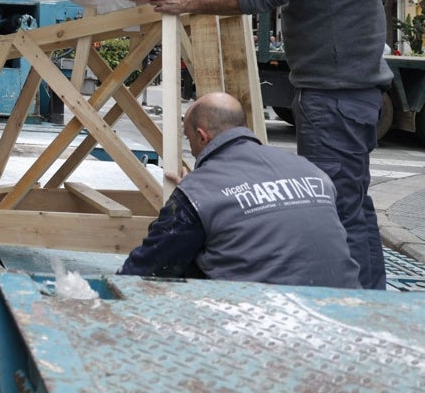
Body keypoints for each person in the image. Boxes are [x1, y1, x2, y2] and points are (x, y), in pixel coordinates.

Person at [147, 0, 391, 289]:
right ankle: (374, 298)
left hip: (336, 94)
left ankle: (355, 308)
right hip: (345, 92)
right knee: (353, 204)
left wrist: (187, 3)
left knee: (337, 207)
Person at [119, 92, 360, 288]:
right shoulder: (311, 171)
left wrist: (190, 200)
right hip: (346, 306)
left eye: (189, 138)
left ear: (202, 137)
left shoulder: (200, 191)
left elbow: (146, 268)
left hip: (268, 321)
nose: (190, 149)